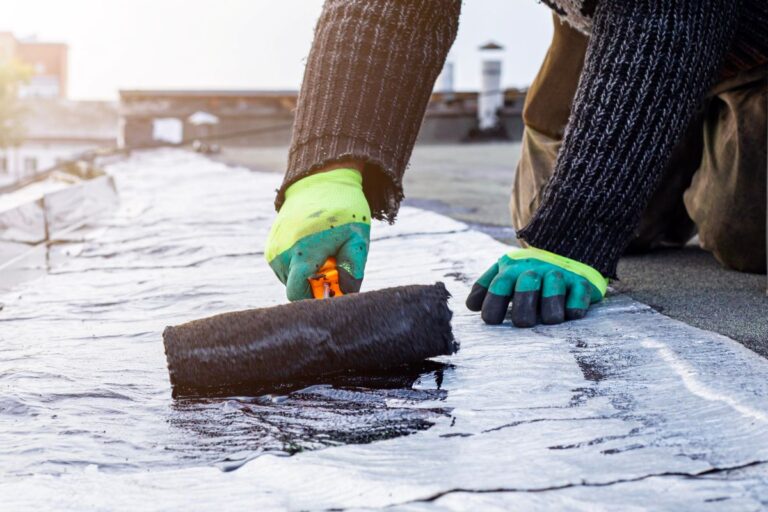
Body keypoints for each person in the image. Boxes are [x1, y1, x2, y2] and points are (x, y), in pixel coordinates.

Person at [265, 0, 768, 328]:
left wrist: (579, 228)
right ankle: (669, 133)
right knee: (541, 210)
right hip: (604, 22)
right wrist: (329, 170)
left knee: (746, 233)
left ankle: (707, 129)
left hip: (753, 44)